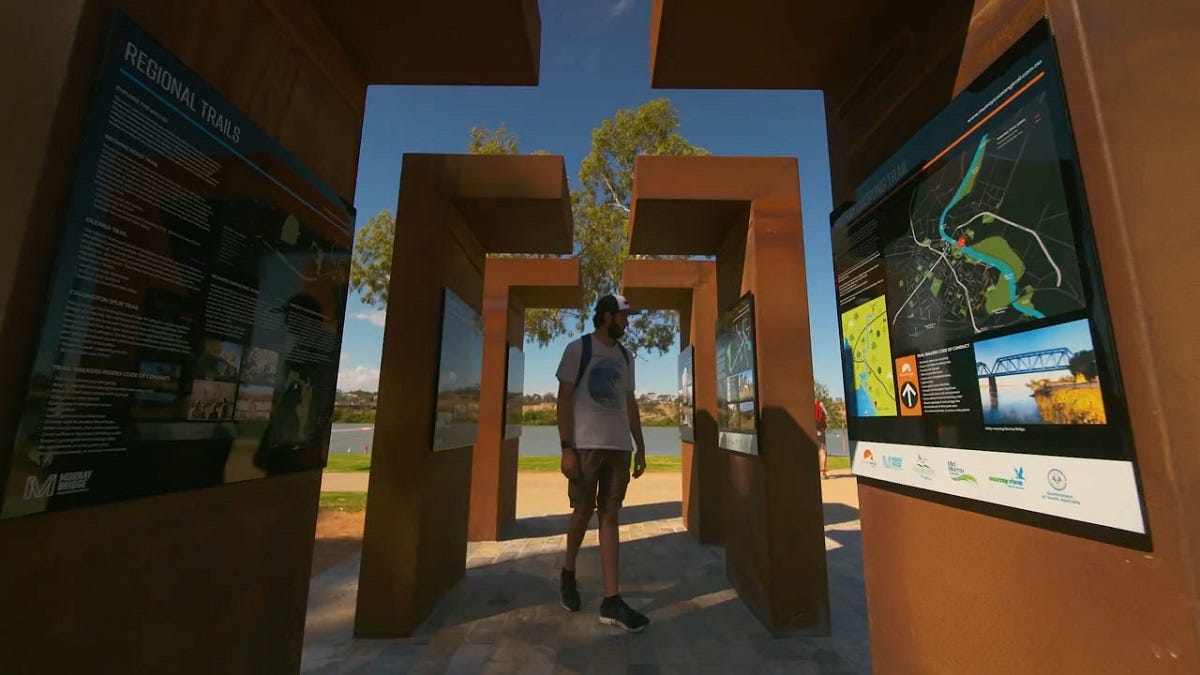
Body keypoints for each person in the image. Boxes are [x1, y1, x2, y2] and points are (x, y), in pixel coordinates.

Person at [555, 293, 650, 633]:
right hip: (585, 447)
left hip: (618, 448)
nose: (627, 322)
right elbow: (563, 401)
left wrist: (640, 445)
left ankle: (611, 600)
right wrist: (567, 448)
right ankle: (568, 571)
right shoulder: (578, 349)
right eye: (624, 316)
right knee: (582, 512)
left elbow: (630, 403)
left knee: (610, 515)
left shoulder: (625, 356)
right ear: (608, 316)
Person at [816, 398, 829, 479]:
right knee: (822, 450)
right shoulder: (820, 404)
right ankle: (823, 473)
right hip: (820, 430)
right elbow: (826, 416)